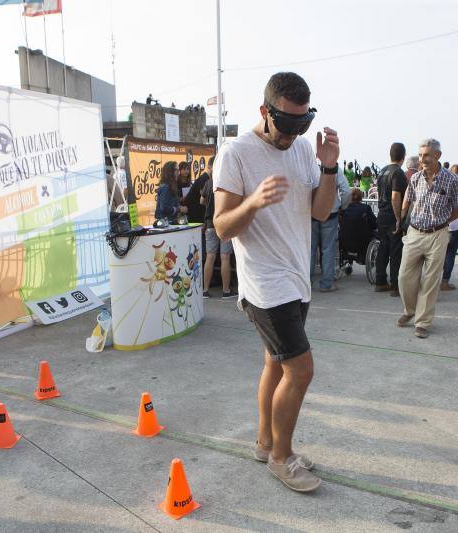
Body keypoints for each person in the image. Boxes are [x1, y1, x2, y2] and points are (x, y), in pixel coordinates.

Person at [213, 71, 339, 493]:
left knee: (275, 364)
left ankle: (266, 443)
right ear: (265, 112)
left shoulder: (302, 149)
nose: (293, 133)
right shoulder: (236, 153)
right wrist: (252, 201)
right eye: (286, 123)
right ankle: (282, 459)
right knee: (300, 371)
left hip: (296, 278)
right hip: (265, 284)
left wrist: (329, 167)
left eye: (302, 123)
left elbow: (321, 213)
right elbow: (222, 227)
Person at [397, 138, 458, 339]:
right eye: (421, 155)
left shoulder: (451, 180)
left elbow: (457, 210)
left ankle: (422, 322)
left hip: (438, 234)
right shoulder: (415, 178)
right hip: (415, 232)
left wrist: (441, 223)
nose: (422, 159)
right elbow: (407, 202)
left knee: (431, 280)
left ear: (437, 155)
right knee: (404, 277)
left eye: (426, 155)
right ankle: (409, 310)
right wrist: (401, 221)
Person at [310, 167, 351, 292]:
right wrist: (342, 207)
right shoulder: (335, 170)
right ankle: (326, 284)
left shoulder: (312, 167)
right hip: (330, 213)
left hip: (311, 214)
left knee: (310, 250)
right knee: (328, 249)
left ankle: (306, 283)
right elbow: (347, 192)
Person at [374, 143, 407, 296]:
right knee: (395, 251)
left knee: (383, 248)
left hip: (381, 214)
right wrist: (398, 218)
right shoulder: (398, 173)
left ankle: (380, 282)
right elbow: (395, 196)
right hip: (392, 215)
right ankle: (395, 285)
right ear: (403, 156)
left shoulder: (382, 171)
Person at [200, 157, 235, 299]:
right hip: (225, 223)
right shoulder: (229, 182)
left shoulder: (208, 183)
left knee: (210, 256)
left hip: (210, 224)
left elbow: (201, 200)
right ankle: (226, 291)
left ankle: (205, 290)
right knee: (225, 257)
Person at [441, 164, 458, 291]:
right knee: (450, 254)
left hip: (442, 224)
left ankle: (435, 280)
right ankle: (444, 281)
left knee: (440, 255)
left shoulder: (444, 186)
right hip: (455, 225)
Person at [185, 159, 212, 224]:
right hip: (195, 215)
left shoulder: (206, 178)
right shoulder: (204, 179)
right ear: (209, 166)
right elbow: (203, 199)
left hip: (197, 213)